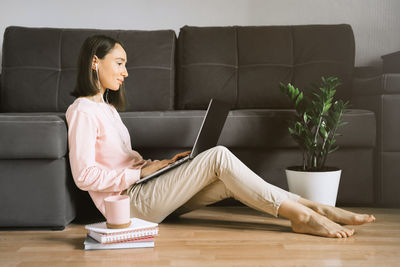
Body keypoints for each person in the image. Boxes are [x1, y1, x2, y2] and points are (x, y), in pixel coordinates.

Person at [66, 35, 375, 239]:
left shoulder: (107, 109)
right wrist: (139, 171)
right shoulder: (82, 110)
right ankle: (306, 216)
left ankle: (313, 208)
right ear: (96, 61)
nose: (125, 72)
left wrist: (157, 165)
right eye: (119, 63)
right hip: (130, 206)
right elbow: (84, 175)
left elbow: (121, 162)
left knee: (224, 178)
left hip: (144, 190)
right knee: (217, 156)